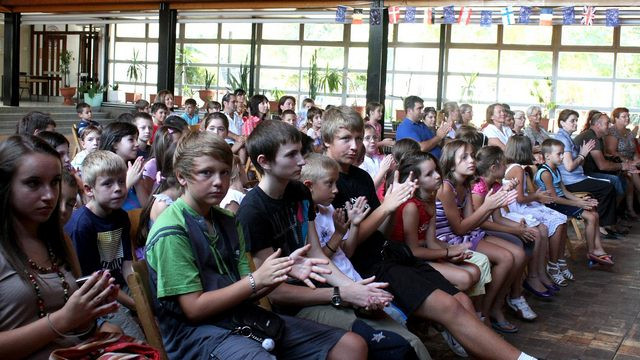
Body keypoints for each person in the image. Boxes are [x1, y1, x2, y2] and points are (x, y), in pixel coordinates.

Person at [323, 106, 537, 360]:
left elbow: (382, 232)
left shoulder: (361, 177)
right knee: (449, 306)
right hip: (366, 267)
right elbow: (350, 246)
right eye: (346, 139)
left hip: (390, 254)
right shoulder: (326, 183)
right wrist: (388, 207)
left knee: (463, 302)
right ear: (326, 141)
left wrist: (390, 210)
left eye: (359, 138)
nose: (355, 145)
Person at [146, 130, 368, 359]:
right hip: (197, 336)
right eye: (206, 173)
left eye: (224, 172)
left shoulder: (229, 220)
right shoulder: (172, 230)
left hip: (241, 318)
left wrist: (280, 271)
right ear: (182, 177)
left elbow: (247, 292)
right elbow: (194, 309)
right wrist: (258, 279)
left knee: (351, 346)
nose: (218, 182)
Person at [237, 120, 426, 359]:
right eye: (291, 155)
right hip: (297, 307)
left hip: (326, 289)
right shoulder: (253, 211)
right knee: (390, 347)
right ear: (264, 162)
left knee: (411, 341)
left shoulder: (299, 192)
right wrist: (341, 293)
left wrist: (354, 288)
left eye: (300, 152)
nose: (302, 161)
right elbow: (274, 292)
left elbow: (317, 254)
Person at [0, 135, 120, 359]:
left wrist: (92, 315)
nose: (49, 196)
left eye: (54, 182)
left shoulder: (58, 239)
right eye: (33, 183)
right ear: (5, 185)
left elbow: (75, 326)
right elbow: (63, 320)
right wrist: (64, 319)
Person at [435, 140, 522, 333]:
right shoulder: (446, 188)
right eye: (464, 157)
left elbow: (470, 221)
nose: (471, 161)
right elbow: (458, 229)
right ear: (451, 163)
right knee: (507, 258)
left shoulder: (465, 184)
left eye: (472, 156)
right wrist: (487, 206)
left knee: (518, 253)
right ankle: (484, 311)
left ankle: (494, 307)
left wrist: (493, 204)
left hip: (466, 233)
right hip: (447, 239)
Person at [64, 150, 144, 339]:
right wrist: (135, 305)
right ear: (89, 189)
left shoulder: (121, 216)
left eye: (121, 181)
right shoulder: (82, 225)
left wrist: (139, 294)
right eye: (107, 183)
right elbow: (91, 280)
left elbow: (126, 264)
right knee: (135, 338)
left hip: (119, 286)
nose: (118, 188)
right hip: (96, 294)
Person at [391, 151, 486, 299]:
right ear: (416, 181)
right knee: (465, 278)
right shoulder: (411, 207)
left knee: (475, 271)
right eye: (429, 174)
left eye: (436, 170)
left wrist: (454, 251)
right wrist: (447, 253)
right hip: (405, 259)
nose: (437, 175)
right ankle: (439, 311)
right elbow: (413, 251)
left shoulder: (430, 198)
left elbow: (431, 241)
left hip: (422, 253)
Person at [471, 146, 551, 319]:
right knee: (517, 250)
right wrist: (515, 230)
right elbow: (481, 223)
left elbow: (498, 218)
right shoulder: (479, 188)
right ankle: (493, 306)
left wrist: (519, 228)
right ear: (493, 168)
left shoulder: (497, 185)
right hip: (477, 232)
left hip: (487, 229)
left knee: (527, 240)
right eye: (504, 164)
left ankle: (507, 298)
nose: (506, 167)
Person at [535, 139, 614, 267]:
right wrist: (579, 204)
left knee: (593, 211)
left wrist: (581, 200)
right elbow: (554, 198)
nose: (562, 157)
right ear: (547, 156)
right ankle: (591, 252)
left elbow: (565, 191)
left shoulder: (556, 169)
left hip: (561, 201)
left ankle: (597, 249)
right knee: (590, 217)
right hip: (552, 205)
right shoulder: (545, 173)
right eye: (559, 154)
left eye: (562, 153)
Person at [503, 136, 570, 287]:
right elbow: (520, 198)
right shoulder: (517, 169)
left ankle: (556, 261)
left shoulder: (516, 167)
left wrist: (534, 193)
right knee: (556, 221)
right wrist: (537, 196)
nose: (535, 150)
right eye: (531, 147)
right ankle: (551, 266)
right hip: (518, 207)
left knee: (561, 218)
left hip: (522, 204)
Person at [554, 109, 620, 237]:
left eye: (576, 120)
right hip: (571, 181)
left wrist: (582, 156)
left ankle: (602, 223)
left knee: (608, 185)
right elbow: (569, 167)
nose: (575, 123)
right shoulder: (563, 140)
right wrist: (583, 154)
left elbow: (578, 164)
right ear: (562, 123)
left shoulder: (567, 137)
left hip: (577, 177)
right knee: (608, 187)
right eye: (572, 121)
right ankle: (601, 225)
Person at [573, 111, 636, 206]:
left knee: (625, 177)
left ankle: (615, 211)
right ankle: (607, 213)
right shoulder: (591, 136)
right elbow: (602, 166)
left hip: (588, 170)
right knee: (615, 180)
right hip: (580, 175)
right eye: (607, 123)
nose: (610, 125)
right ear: (598, 125)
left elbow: (604, 158)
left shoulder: (597, 137)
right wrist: (623, 166)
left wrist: (622, 165)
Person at [99, 122, 146, 210]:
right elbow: (105, 209)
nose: (137, 144)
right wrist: (129, 182)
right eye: (131, 139)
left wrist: (138, 182)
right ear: (115, 144)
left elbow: (146, 207)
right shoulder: (102, 170)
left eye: (136, 139)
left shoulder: (132, 168)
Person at [605, 107, 640, 219]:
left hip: (631, 162)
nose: (627, 118)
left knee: (633, 172)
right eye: (624, 116)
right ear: (615, 118)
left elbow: (634, 151)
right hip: (618, 162)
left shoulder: (629, 132)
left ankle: (630, 210)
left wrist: (637, 160)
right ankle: (629, 210)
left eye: (628, 116)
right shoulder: (612, 132)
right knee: (631, 175)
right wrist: (629, 162)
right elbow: (612, 152)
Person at [360, 124, 394, 189]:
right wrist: (383, 170)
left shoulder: (378, 158)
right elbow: (369, 188)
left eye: (375, 137)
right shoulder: (360, 162)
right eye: (367, 138)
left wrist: (390, 170)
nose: (372, 141)